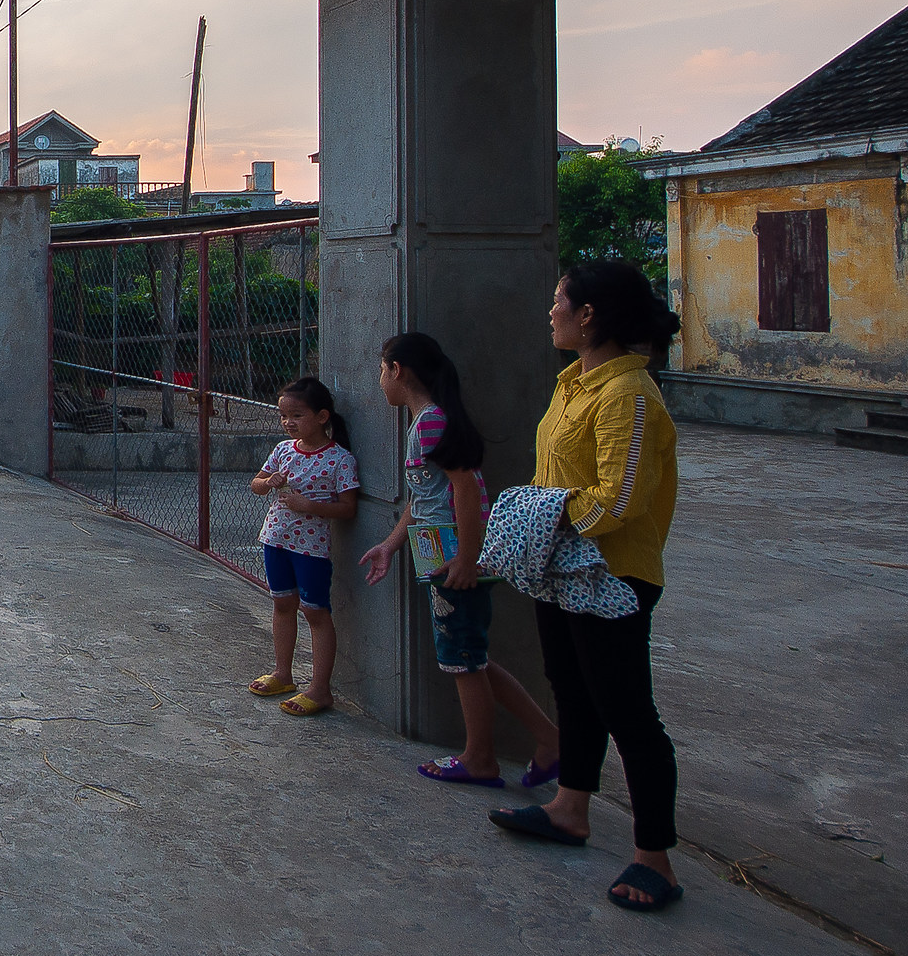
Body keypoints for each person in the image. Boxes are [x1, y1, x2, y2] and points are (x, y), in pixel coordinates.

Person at [489, 263, 685, 912]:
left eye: (558, 302)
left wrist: (537, 520)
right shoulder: (574, 384)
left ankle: (654, 856)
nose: (551, 313)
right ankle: (570, 807)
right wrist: (544, 528)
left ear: (589, 314)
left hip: (612, 572)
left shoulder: (628, 393)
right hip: (564, 566)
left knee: (628, 710)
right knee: (573, 692)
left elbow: (619, 500)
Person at [360, 332, 560, 789]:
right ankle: (547, 740)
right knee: (471, 657)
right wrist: (391, 545)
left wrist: (468, 560)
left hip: (456, 562)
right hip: (445, 558)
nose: (380, 380)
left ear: (398, 370)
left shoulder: (431, 422)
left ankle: (480, 758)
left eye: (381, 369)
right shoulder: (424, 424)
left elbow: (465, 490)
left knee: (462, 661)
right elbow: (425, 495)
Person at [249, 377, 360, 717]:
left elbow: (348, 507)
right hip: (276, 539)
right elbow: (255, 485)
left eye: (296, 415)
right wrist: (269, 482)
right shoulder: (283, 450)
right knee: (282, 604)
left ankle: (320, 688)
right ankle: (283, 673)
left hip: (311, 548)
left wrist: (309, 506)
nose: (288, 423)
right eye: (284, 416)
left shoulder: (340, 459)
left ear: (322, 416)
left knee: (315, 612)